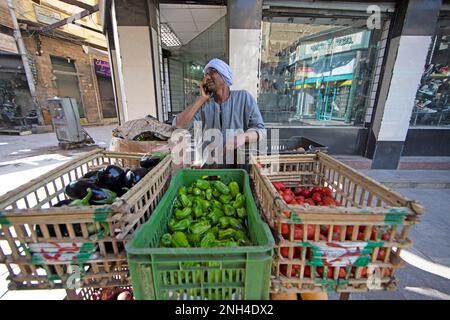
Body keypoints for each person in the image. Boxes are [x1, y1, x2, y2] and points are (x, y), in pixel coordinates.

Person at [172, 58, 265, 165]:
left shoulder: (243, 98)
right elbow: (179, 125)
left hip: (238, 166)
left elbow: (261, 131)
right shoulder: (204, 105)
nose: (207, 77)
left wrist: (243, 137)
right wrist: (201, 99)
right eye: (206, 74)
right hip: (211, 167)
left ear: (224, 76)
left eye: (212, 72)